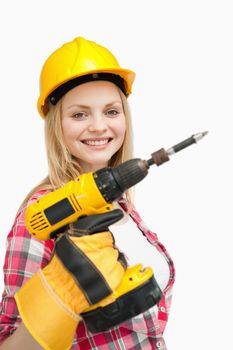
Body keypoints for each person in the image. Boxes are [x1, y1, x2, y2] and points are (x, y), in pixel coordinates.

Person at [0, 37, 175, 349]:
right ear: (57, 124)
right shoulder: (45, 215)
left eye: (111, 111)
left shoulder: (122, 205)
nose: (98, 126)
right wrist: (61, 295)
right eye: (80, 114)